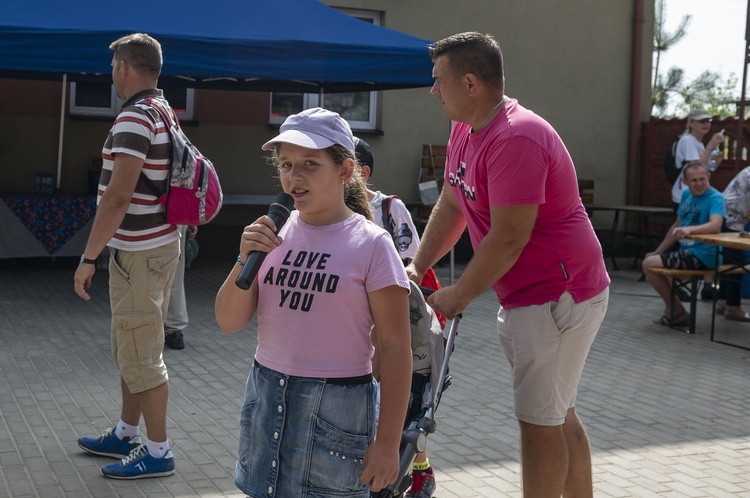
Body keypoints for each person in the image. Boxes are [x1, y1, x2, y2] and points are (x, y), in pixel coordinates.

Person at [406, 32, 610, 497]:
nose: (433, 90)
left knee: (539, 426)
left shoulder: (516, 137)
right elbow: (454, 204)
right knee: (558, 414)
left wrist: (458, 295)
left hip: (558, 295)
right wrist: (418, 266)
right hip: (530, 296)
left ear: (471, 83)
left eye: (439, 81)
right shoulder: (466, 127)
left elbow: (509, 238)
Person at [214, 107, 412, 497]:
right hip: (267, 397)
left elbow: (395, 346)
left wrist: (388, 444)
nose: (294, 176)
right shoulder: (272, 232)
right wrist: (243, 255)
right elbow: (228, 321)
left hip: (336, 410)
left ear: (344, 170)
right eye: (286, 164)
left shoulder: (372, 244)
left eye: (309, 163)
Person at [73, 33, 180, 479]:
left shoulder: (135, 118)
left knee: (141, 353)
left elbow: (117, 197)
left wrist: (88, 257)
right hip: (154, 247)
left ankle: (158, 451)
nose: (111, 73)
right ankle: (126, 432)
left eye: (114, 65)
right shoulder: (163, 110)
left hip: (140, 253)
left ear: (124, 68)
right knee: (131, 346)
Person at [355, 137, 436, 497]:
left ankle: (418, 467)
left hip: (387, 324)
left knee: (399, 404)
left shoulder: (388, 208)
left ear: (362, 171)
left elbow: (410, 265)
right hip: (354, 328)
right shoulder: (325, 208)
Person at [642, 162, 725, 326]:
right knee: (653, 262)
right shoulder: (686, 195)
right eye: (694, 180)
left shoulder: (716, 198)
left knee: (648, 264)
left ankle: (675, 310)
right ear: (685, 181)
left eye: (703, 179)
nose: (699, 183)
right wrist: (657, 251)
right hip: (688, 252)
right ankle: (675, 309)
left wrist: (690, 230)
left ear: (709, 177)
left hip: (706, 254)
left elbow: (715, 225)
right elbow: (677, 226)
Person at [671, 109, 725, 212]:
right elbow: (694, 170)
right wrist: (711, 145)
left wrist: (716, 162)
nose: (706, 124)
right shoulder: (688, 141)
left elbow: (705, 169)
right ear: (691, 123)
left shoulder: (698, 143)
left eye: (708, 120)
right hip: (685, 195)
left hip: (696, 193)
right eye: (701, 121)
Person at [715, 166, 750, 321]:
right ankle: (733, 307)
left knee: (729, 260)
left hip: (726, 214)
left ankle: (723, 301)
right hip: (732, 217)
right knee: (737, 262)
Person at [164, 225, 198, 350]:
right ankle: (174, 329)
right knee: (175, 275)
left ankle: (144, 328)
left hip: (141, 218)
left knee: (140, 275)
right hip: (176, 218)